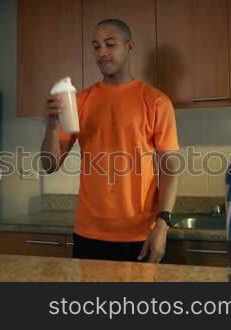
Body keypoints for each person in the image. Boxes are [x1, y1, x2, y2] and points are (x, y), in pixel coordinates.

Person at [40, 18, 180, 263]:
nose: (102, 52)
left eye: (110, 44)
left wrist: (163, 223)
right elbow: (50, 165)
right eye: (96, 46)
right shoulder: (79, 102)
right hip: (88, 234)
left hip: (140, 235)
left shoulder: (156, 102)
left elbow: (169, 169)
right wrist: (51, 128)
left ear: (129, 46)